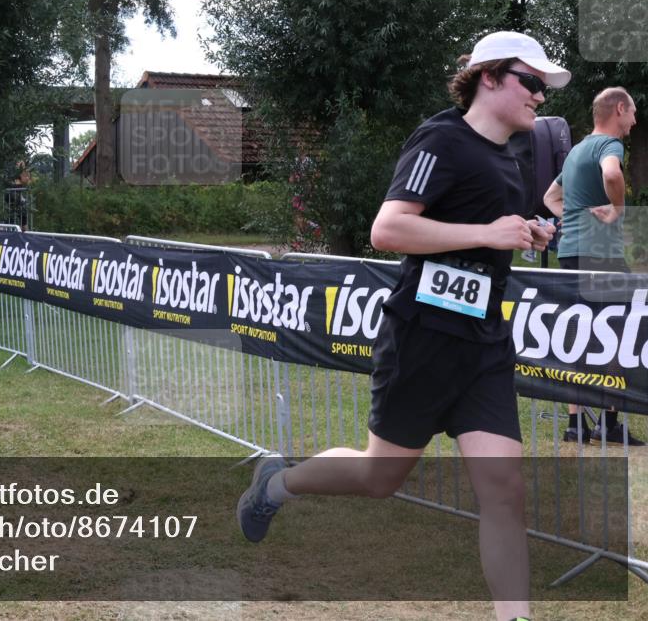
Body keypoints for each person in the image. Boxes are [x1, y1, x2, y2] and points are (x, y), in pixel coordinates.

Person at [237, 32, 566, 621]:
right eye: (532, 81)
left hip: (484, 344)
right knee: (378, 476)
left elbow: (486, 224)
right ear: (489, 76)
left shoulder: (512, 156)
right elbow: (387, 230)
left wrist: (524, 231)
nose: (541, 96)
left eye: (545, 86)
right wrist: (488, 233)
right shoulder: (442, 138)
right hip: (422, 339)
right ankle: (275, 485)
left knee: (504, 488)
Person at [542, 87, 644, 446]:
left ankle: (576, 425)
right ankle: (609, 423)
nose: (633, 121)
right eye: (631, 113)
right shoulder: (609, 146)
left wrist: (572, 218)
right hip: (603, 256)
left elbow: (549, 198)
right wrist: (616, 210)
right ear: (619, 109)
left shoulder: (576, 152)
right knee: (615, 335)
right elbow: (613, 176)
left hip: (570, 252)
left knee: (578, 336)